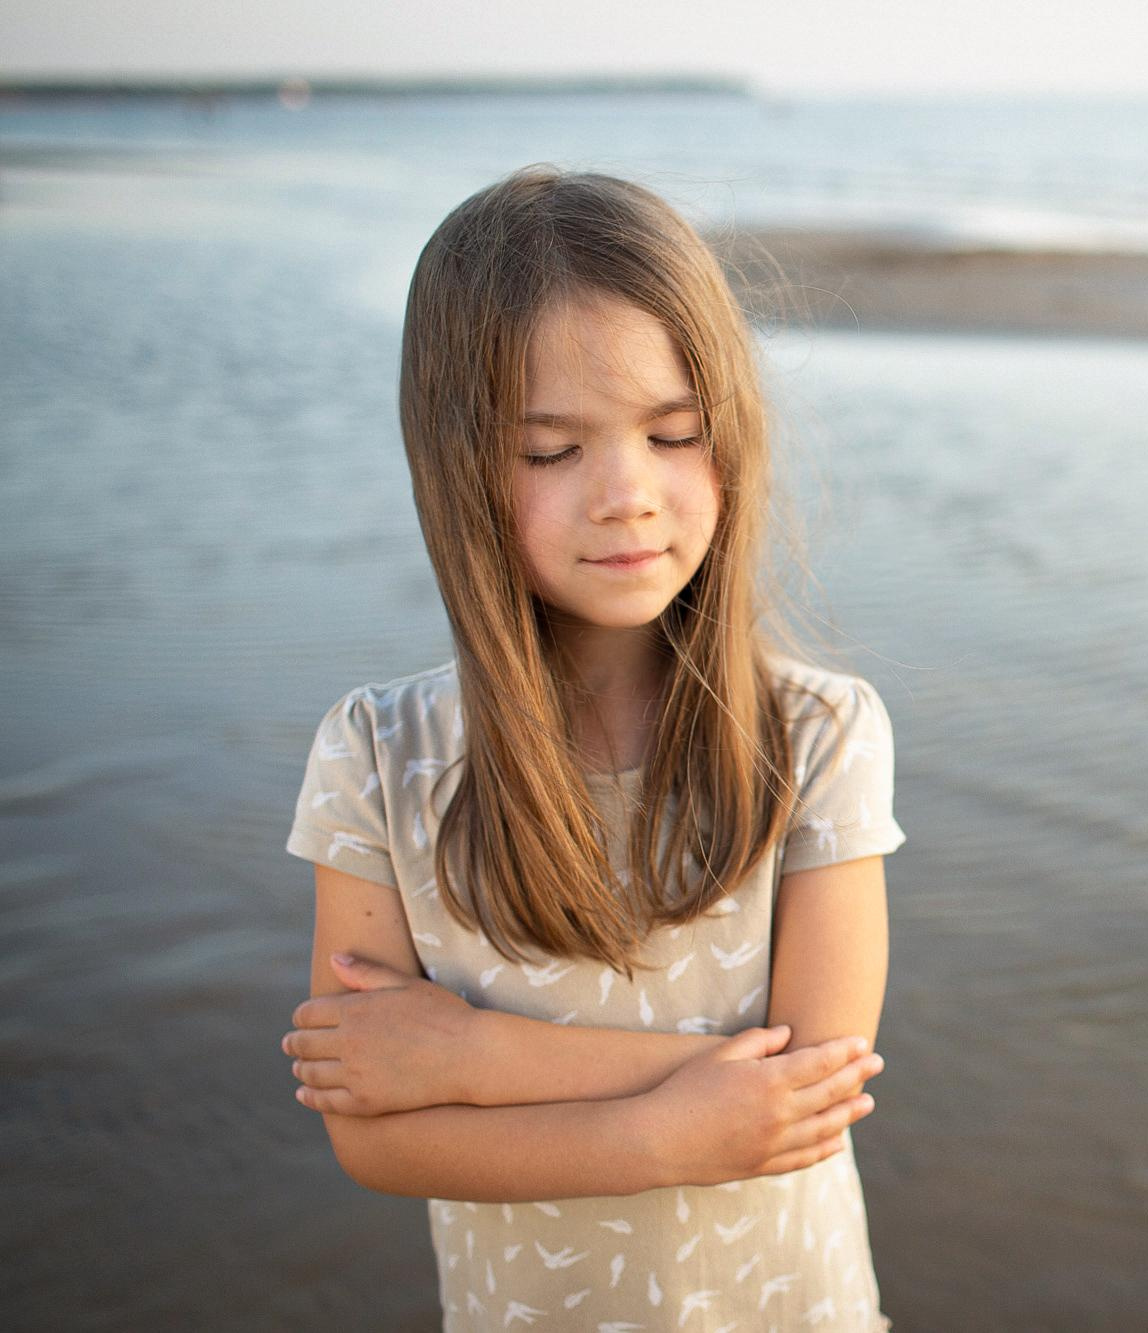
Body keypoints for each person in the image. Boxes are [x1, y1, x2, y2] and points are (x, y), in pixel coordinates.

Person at [279, 166, 904, 1332]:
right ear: (457, 468)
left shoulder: (816, 735)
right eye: (549, 451)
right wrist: (671, 1123)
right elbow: (370, 1135)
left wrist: (465, 1058)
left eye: (673, 434)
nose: (627, 495)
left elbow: (811, 1086)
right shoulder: (377, 755)